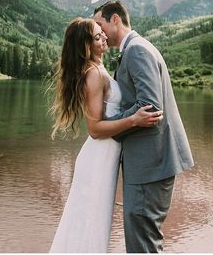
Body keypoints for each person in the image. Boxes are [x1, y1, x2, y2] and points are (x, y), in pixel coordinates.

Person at [49, 18, 164, 253]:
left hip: (107, 155)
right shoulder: (93, 75)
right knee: (90, 221)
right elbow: (94, 129)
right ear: (85, 45)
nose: (104, 37)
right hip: (98, 158)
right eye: (97, 36)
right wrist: (134, 119)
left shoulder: (99, 69)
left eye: (102, 32)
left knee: (94, 221)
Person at [93, 0, 194, 252]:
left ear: (115, 19)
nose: (99, 32)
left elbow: (149, 107)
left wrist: (106, 126)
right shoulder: (136, 48)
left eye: (99, 24)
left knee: (142, 245)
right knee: (145, 240)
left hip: (150, 164)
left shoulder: (137, 50)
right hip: (151, 163)